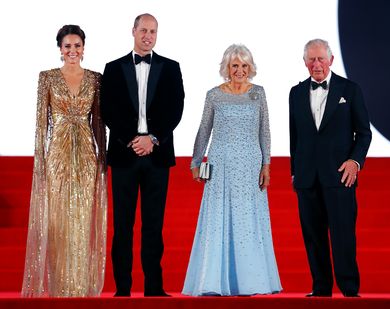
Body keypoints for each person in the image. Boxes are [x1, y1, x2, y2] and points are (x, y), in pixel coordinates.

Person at [182, 44, 282, 296]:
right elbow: (204, 129)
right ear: (227, 67)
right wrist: (196, 162)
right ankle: (214, 281)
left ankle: (252, 281)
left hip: (250, 165)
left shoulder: (258, 93)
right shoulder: (214, 94)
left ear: (251, 68)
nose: (239, 70)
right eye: (235, 65)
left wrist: (266, 166)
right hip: (221, 164)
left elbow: (265, 131)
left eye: (244, 65)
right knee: (219, 220)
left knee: (249, 221)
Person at [100, 13, 184, 297]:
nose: (148, 36)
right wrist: (134, 140)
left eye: (153, 31)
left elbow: (175, 109)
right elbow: (108, 110)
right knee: (122, 226)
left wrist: (154, 139)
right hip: (125, 155)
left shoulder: (171, 68)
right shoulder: (113, 68)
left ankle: (154, 288)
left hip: (157, 157)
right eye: (144, 30)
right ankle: (122, 289)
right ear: (133, 31)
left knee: (153, 226)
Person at [21, 25, 107, 297]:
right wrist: (41, 161)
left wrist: (102, 158)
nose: (73, 51)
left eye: (77, 45)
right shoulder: (46, 78)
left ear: (84, 48)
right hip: (57, 153)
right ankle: (60, 286)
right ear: (60, 48)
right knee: (58, 219)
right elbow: (40, 124)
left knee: (81, 218)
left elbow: (99, 123)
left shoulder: (96, 79)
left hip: (85, 155)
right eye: (68, 46)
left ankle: (79, 285)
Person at [289, 39, 372, 297]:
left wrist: (355, 161)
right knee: (313, 237)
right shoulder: (295, 92)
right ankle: (320, 288)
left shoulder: (351, 89)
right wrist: (295, 171)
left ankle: (349, 290)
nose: (316, 65)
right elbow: (295, 136)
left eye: (320, 59)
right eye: (311, 60)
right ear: (305, 62)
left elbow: (364, 133)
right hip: (306, 177)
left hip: (340, 176)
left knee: (343, 235)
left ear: (331, 60)